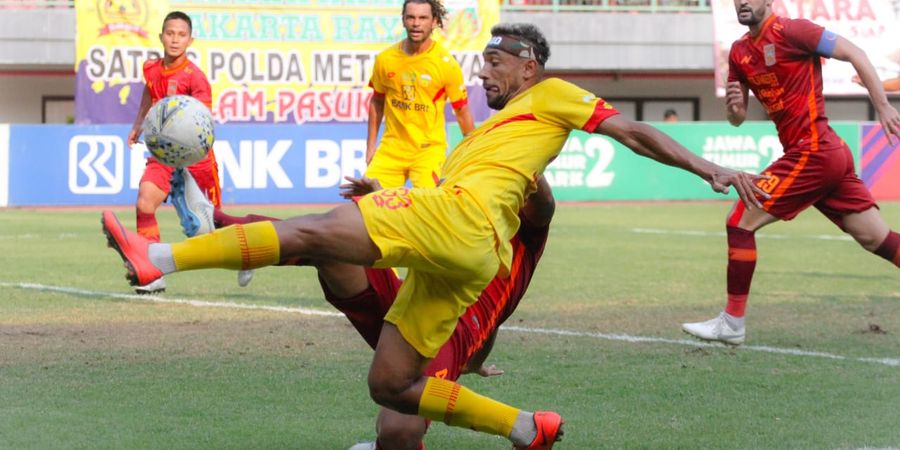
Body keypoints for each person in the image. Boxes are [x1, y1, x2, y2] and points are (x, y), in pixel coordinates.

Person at [102, 23, 765, 449]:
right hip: (460, 249)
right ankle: (523, 427)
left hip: (462, 230)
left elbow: (632, 133)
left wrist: (706, 166)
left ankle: (156, 255)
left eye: (496, 63)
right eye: (483, 64)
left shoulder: (555, 94)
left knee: (313, 233)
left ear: (529, 67)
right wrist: (389, 197)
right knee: (389, 384)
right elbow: (487, 195)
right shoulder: (483, 143)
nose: (484, 73)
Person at [216, 175, 555, 450]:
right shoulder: (466, 206)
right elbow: (415, 227)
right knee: (331, 248)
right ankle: (222, 226)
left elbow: (544, 204)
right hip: (407, 300)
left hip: (450, 331)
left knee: (398, 431)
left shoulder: (527, 232)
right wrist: (381, 198)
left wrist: (522, 157)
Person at [681, 0, 900, 345]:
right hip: (826, 154)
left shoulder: (794, 31)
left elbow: (855, 52)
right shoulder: (739, 52)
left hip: (813, 151)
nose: (742, 2)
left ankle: (732, 323)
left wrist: (883, 105)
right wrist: (734, 107)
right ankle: (731, 323)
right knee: (878, 239)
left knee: (740, 220)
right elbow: (737, 118)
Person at [126, 11, 251, 293]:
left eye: (181, 35)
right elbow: (149, 92)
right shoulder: (151, 68)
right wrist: (138, 125)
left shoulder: (195, 78)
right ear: (161, 36)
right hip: (163, 154)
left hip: (196, 158)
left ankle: (247, 255)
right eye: (170, 33)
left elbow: (203, 121)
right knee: (145, 203)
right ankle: (152, 273)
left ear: (190, 40)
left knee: (213, 223)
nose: (175, 39)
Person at [366, 0, 475, 189]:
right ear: (403, 20)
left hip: (428, 152)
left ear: (434, 22)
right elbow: (376, 102)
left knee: (430, 209)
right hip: (391, 151)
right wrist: (370, 148)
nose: (416, 23)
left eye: (423, 18)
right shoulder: (385, 59)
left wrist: (474, 151)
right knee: (365, 204)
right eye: (411, 17)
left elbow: (462, 111)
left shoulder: (446, 64)